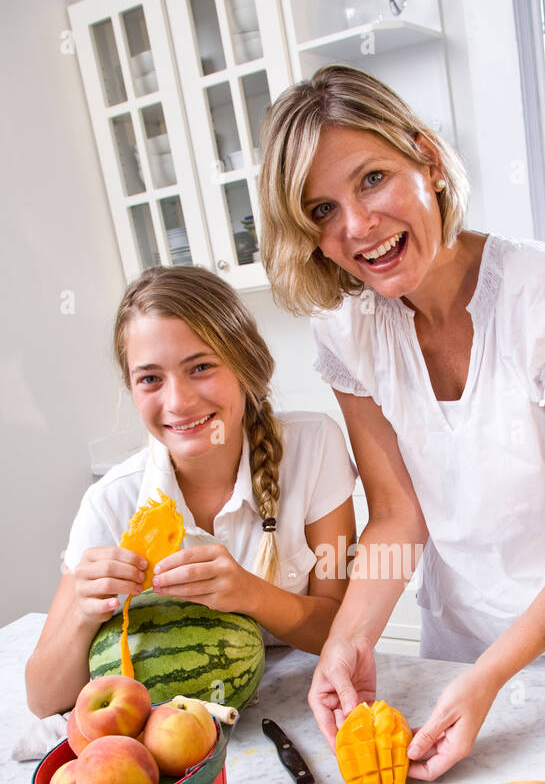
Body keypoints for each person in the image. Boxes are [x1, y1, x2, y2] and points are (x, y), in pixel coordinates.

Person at [258, 64, 545, 781]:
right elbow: (400, 516)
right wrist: (347, 640)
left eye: (372, 179)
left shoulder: (542, 292)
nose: (358, 226)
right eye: (321, 210)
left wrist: (492, 676)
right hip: (454, 651)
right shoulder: (346, 331)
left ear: (427, 161)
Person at [26, 265, 356, 717]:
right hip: (174, 738)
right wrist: (84, 614)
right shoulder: (111, 503)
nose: (178, 402)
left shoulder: (314, 446)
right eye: (150, 379)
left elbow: (341, 628)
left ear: (245, 365)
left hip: (301, 709)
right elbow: (44, 699)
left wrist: (251, 594)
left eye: (200, 367)